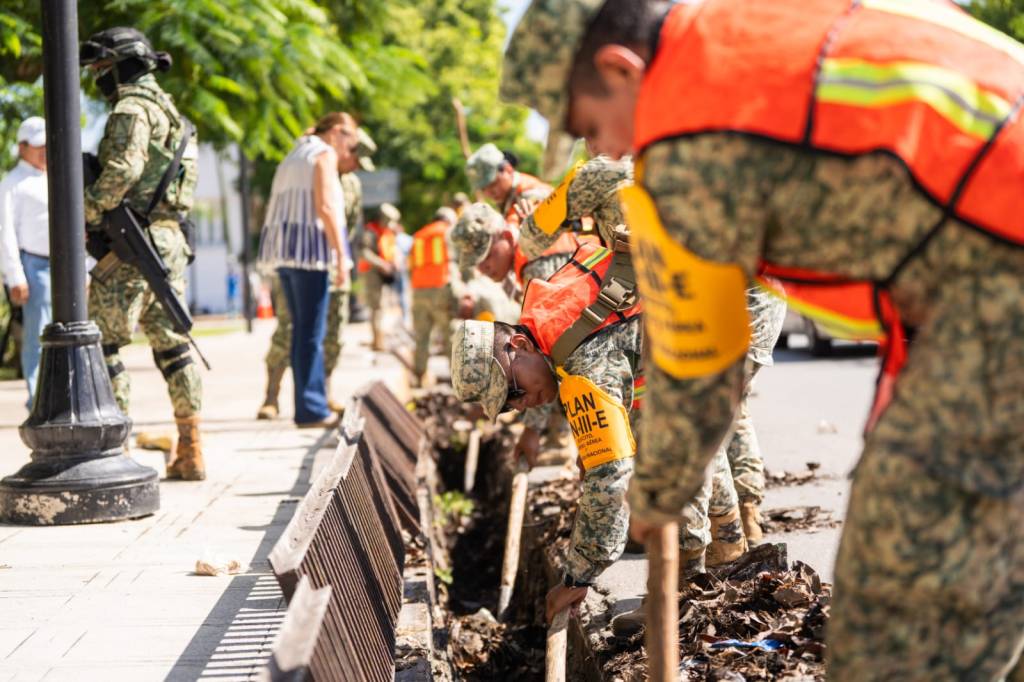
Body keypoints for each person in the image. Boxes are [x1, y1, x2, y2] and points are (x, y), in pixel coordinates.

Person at [501, 0, 1024, 678]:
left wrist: (656, 499)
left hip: (995, 287)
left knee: (890, 617)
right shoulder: (759, 32)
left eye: (589, 125)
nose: (601, 151)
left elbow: (698, 372)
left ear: (619, 69)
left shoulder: (689, 139)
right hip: (972, 279)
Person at [450, 234, 644, 624]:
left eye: (514, 391)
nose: (520, 404)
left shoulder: (579, 358)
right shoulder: (545, 319)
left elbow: (611, 477)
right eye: (508, 406)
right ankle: (710, 559)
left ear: (519, 344)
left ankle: (691, 580)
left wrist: (576, 576)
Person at [79, 27, 203, 479]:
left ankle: (115, 452)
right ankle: (191, 450)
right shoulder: (174, 112)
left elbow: (122, 171)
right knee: (175, 350)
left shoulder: (132, 109)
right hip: (169, 240)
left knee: (103, 344)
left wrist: (86, 210)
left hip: (132, 243)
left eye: (100, 69)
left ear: (119, 66)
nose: (96, 78)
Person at [257, 127, 375, 420]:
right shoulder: (320, 161)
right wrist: (340, 258)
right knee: (297, 332)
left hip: (322, 259)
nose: (355, 165)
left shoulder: (349, 183)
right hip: (314, 258)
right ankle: (282, 398)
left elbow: (349, 226)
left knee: (326, 335)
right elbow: (325, 210)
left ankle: (318, 395)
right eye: (354, 157)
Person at [0, 117, 50, 406]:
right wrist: (15, 276)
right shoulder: (12, 183)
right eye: (36, 146)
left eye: (45, 144)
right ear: (22, 147)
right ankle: (38, 400)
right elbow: (5, 233)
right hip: (33, 265)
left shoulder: (52, 177)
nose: (43, 150)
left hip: (60, 265)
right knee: (38, 336)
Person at [408, 207, 458, 386]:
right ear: (448, 220)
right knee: (449, 334)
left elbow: (411, 265)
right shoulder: (448, 232)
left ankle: (419, 377)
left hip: (419, 290)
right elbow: (458, 261)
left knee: (422, 336)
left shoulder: (418, 235)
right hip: (440, 289)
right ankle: (457, 379)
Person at [465, 143, 550, 229]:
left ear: (508, 169)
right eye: (483, 189)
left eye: (493, 184)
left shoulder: (531, 195)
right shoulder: (508, 199)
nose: (489, 193)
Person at [358, 203, 400, 351]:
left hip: (386, 274)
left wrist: (394, 262)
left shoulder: (386, 232)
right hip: (373, 274)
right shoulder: (370, 232)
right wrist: (382, 264)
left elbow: (391, 250)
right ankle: (377, 341)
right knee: (377, 308)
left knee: (383, 307)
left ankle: (380, 339)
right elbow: (365, 253)